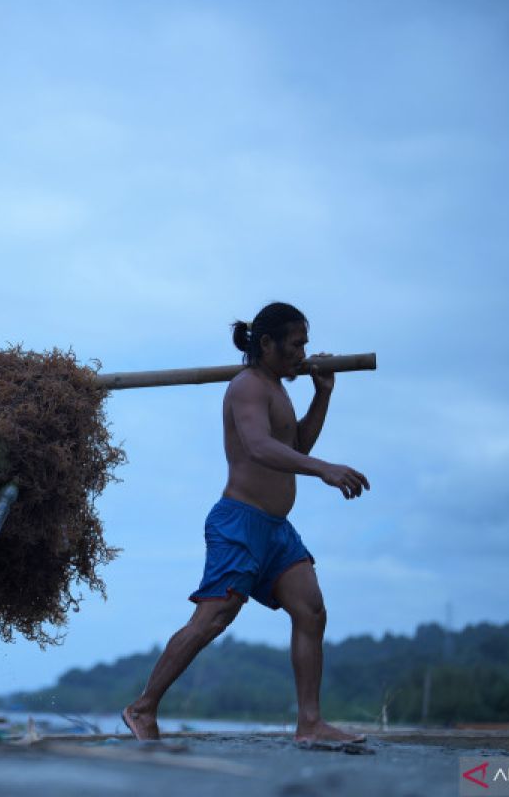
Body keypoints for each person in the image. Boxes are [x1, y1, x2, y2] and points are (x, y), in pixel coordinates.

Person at [122, 302, 370, 744]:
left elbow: (296, 444)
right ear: (268, 344)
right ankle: (142, 708)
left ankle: (310, 724)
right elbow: (257, 446)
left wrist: (323, 393)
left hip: (276, 530)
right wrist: (325, 469)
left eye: (305, 344)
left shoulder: (278, 388)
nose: (303, 352)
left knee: (311, 610)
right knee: (213, 620)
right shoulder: (247, 387)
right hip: (238, 523)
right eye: (296, 344)